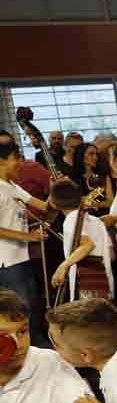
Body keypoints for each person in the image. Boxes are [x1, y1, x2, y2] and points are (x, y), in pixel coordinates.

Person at [0, 139, 53, 346]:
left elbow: (45, 207)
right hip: (8, 263)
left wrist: (60, 193)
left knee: (32, 312)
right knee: (20, 316)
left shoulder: (12, 187)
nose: (19, 163)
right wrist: (28, 237)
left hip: (22, 258)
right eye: (15, 159)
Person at [49, 179, 115, 302]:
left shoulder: (70, 220)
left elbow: (88, 245)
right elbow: (111, 255)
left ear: (54, 203)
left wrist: (63, 266)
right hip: (106, 286)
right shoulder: (98, 222)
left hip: (87, 290)